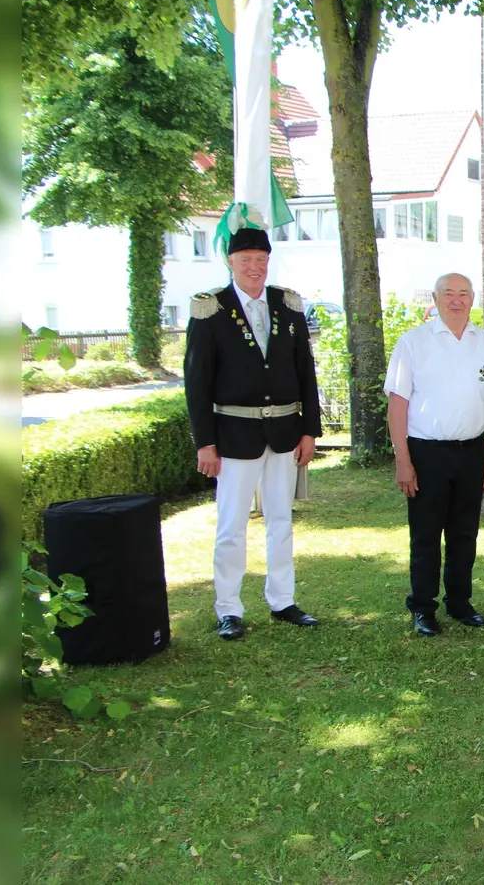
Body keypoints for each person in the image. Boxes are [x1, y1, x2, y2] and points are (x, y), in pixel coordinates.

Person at [185, 203, 322, 640]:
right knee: (231, 526)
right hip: (234, 435)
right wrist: (205, 443)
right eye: (246, 261)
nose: (255, 269)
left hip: (283, 432)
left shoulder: (288, 305)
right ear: (230, 262)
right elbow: (196, 383)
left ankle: (282, 600)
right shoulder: (210, 309)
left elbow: (306, 373)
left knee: (281, 520)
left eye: (261, 261)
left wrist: (309, 430)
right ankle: (228, 607)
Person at [385, 272, 484, 636]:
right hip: (426, 454)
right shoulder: (413, 343)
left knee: (464, 534)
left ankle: (460, 603)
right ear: (436, 300)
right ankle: (423, 608)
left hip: (472, 452)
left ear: (473, 300)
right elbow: (397, 406)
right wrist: (404, 461)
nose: (457, 300)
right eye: (449, 294)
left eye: (464, 294)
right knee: (425, 535)